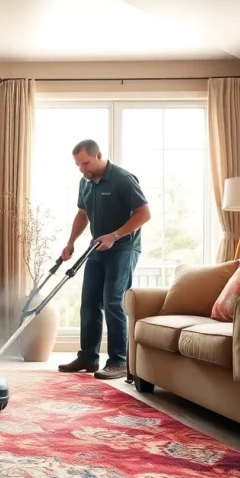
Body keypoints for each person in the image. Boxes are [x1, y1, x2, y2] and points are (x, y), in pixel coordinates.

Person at [59, 139, 151, 380]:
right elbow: (82, 214)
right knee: (89, 302)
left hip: (123, 249)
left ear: (98, 155)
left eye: (85, 163)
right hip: (96, 249)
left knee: (113, 302)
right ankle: (88, 357)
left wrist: (115, 235)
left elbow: (144, 213)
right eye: (78, 165)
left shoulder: (123, 179)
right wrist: (71, 242)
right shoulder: (86, 183)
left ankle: (119, 361)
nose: (82, 169)